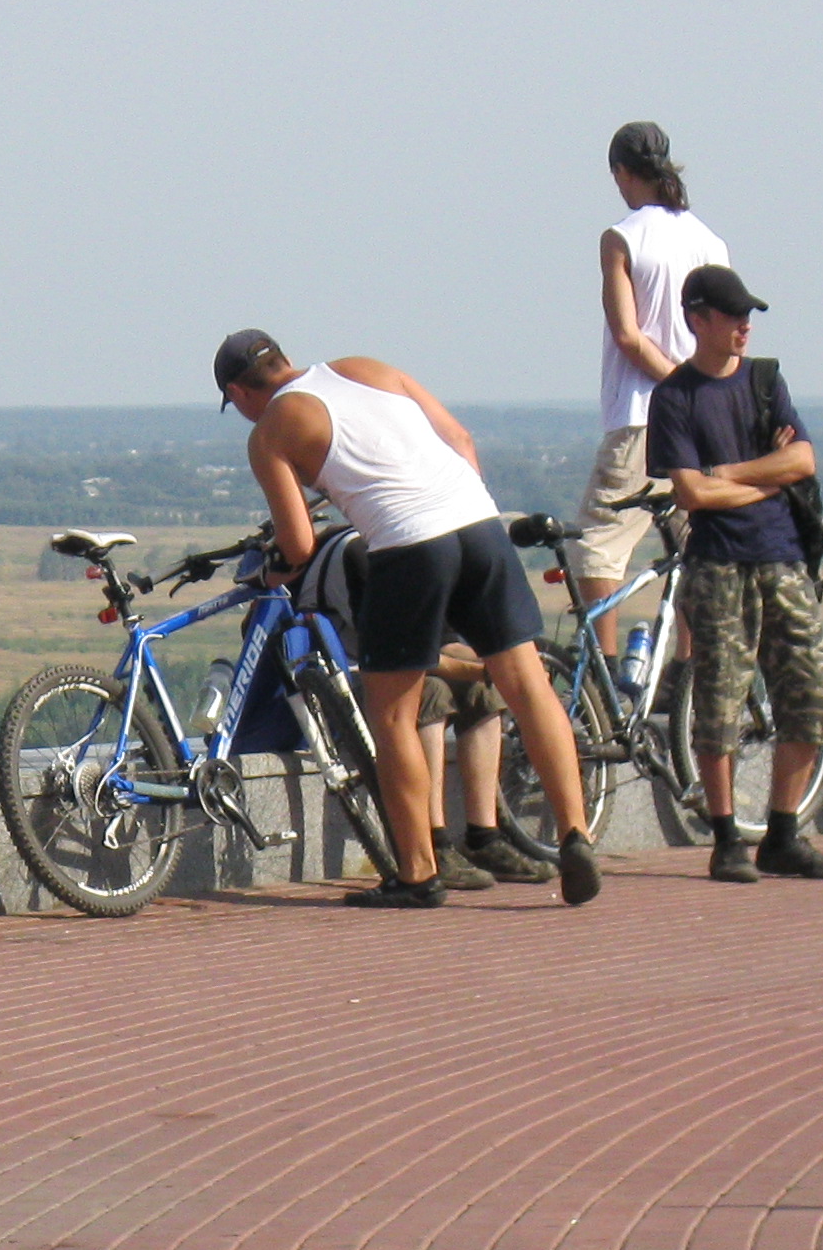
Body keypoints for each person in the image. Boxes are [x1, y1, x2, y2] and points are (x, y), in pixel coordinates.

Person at [214, 330, 600, 908]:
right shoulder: (363, 367)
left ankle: (419, 872)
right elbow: (460, 439)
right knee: (527, 684)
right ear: (284, 360)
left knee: (392, 711)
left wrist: (274, 574)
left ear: (240, 392)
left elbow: (298, 545)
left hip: (407, 546)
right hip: (478, 524)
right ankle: (575, 833)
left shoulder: (270, 431)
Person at [646, 265, 823, 884]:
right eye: (733, 315)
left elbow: (803, 460)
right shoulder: (675, 397)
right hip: (718, 567)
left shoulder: (765, 381)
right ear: (697, 319)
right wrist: (766, 474)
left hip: (783, 559)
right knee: (719, 706)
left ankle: (783, 835)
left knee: (809, 700)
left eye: (748, 316)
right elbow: (691, 495)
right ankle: (726, 838)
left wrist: (727, 474)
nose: (744, 326)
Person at [571, 121, 730, 613]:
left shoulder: (622, 238)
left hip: (643, 416)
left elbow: (628, 336)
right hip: (706, 422)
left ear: (621, 172)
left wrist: (678, 385)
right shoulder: (710, 242)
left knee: (596, 546)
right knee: (697, 550)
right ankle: (690, 659)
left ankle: (603, 657)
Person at [419, 661, 551, 889]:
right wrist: (490, 669)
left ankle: (482, 839)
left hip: (419, 665)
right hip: (370, 677)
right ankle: (433, 845)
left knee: (482, 691)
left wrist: (506, 665)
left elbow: (448, 647)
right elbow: (420, 656)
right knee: (433, 691)